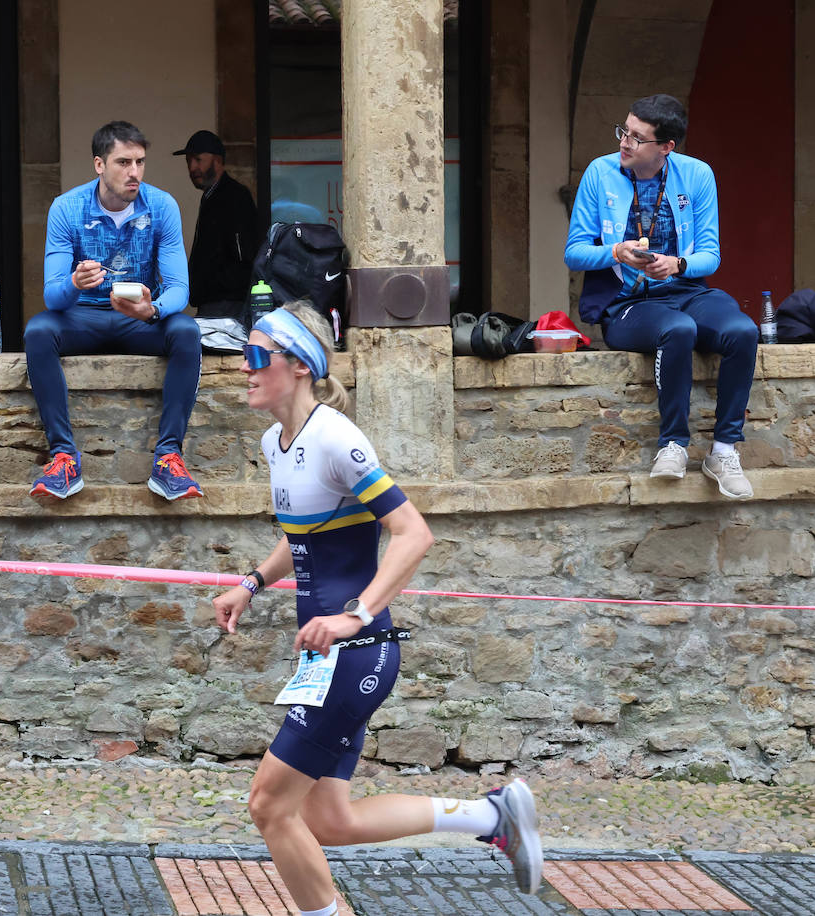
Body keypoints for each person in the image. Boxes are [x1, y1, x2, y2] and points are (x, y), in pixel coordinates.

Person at [211, 302, 544, 914]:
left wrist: (354, 614)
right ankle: (489, 814)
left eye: (257, 355)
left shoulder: (338, 437)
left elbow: (413, 533)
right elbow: (304, 533)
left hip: (355, 654)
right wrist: (253, 582)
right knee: (329, 819)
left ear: (300, 365)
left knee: (268, 805)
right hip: (328, 658)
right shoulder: (275, 442)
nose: (244, 368)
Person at [564, 93, 758, 499]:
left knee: (742, 330)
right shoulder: (600, 173)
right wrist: (616, 252)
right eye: (624, 130)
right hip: (626, 303)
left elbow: (710, 254)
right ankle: (673, 444)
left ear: (666, 147)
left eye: (637, 137)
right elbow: (574, 252)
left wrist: (677, 264)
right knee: (679, 330)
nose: (624, 142)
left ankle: (723, 450)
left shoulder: (697, 175)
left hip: (685, 289)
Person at [25, 121, 203, 501]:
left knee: (186, 331)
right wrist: (74, 284)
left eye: (140, 162)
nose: (134, 172)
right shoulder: (67, 208)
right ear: (99, 165)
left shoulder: (162, 205)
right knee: (38, 330)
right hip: (82, 316)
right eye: (123, 162)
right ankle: (63, 458)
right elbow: (52, 297)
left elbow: (180, 290)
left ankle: (169, 457)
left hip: (139, 319)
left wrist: (152, 310)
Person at [172, 129, 257, 317]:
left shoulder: (234, 196)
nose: (192, 167)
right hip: (213, 301)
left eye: (198, 160)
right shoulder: (212, 196)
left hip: (228, 305)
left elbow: (244, 255)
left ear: (217, 160)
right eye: (188, 161)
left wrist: (215, 283)